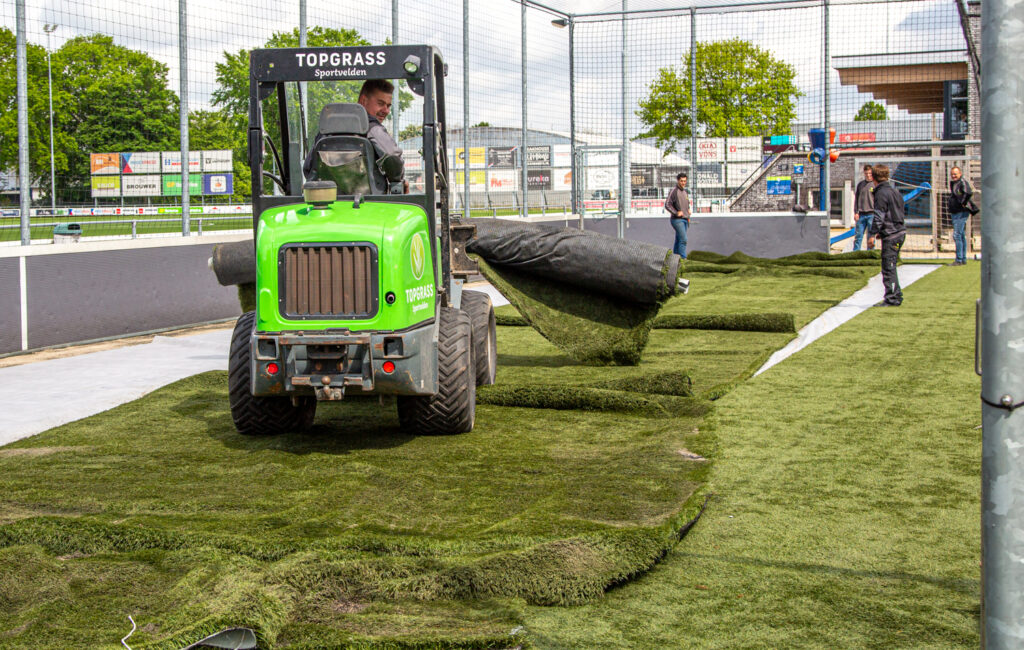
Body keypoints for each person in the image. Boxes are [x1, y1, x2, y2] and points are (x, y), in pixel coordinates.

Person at [869, 164, 906, 306]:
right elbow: (898, 212)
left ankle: (892, 298)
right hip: (899, 231)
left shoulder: (881, 193)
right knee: (891, 266)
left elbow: (879, 216)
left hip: (892, 234)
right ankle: (896, 294)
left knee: (888, 267)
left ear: (873, 177)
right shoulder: (894, 191)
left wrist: (872, 234)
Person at [948, 166, 973, 266]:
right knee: (961, 235)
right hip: (955, 211)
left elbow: (968, 192)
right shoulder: (954, 183)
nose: (954, 176)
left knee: (957, 235)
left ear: (960, 173)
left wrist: (963, 203)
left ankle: (959, 259)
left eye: (955, 174)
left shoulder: (962, 182)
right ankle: (962, 259)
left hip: (961, 212)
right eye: (952, 174)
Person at [664, 172, 691, 259]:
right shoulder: (674, 191)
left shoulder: (685, 192)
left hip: (685, 219)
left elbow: (687, 203)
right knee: (683, 240)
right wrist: (676, 212)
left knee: (679, 240)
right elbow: (667, 204)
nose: (683, 183)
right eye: (681, 181)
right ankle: (683, 259)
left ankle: (674, 258)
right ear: (678, 181)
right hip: (677, 220)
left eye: (685, 181)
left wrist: (688, 210)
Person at [852, 164, 875, 251]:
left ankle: (870, 254)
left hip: (872, 214)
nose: (868, 175)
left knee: (871, 237)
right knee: (858, 236)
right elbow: (856, 199)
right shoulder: (860, 185)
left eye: (870, 173)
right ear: (864, 173)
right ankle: (856, 253)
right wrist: (856, 212)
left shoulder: (875, 184)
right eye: (866, 173)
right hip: (861, 214)